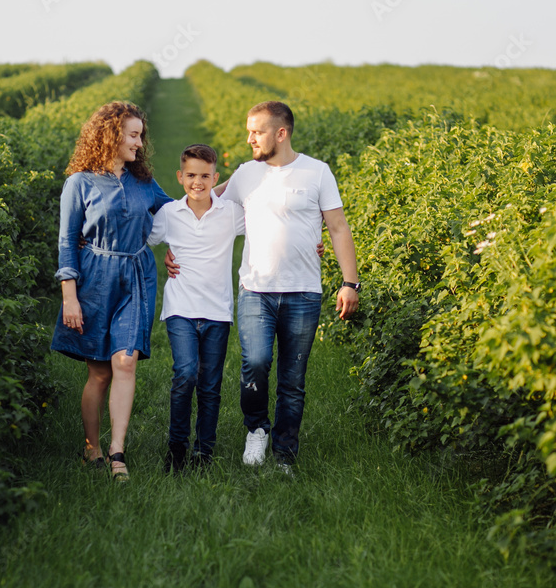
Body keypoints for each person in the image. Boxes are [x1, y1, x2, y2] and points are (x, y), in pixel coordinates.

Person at [167, 101, 360, 471]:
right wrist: (174, 246)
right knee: (254, 363)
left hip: (304, 291)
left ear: (281, 133)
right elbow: (200, 201)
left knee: (293, 377)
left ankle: (285, 452)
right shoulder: (245, 174)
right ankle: (256, 429)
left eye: (257, 131)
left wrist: (350, 282)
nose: (249, 138)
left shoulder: (317, 173)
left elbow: (337, 227)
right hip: (256, 289)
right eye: (249, 131)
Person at [51, 101, 173, 482]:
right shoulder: (80, 183)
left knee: (125, 361)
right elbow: (68, 243)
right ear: (111, 136)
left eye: (140, 136)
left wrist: (230, 189)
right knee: (99, 374)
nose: (139, 144)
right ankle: (93, 449)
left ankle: (118, 452)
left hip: (136, 275)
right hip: (93, 280)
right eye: (133, 135)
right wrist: (69, 297)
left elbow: (181, 211)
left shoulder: (143, 183)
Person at [147, 144, 245, 472]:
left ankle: (204, 453)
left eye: (205, 175)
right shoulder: (169, 214)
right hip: (180, 308)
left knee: (210, 385)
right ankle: (177, 448)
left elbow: (270, 227)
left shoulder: (230, 213)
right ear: (180, 177)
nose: (198, 182)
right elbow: (141, 240)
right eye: (191, 175)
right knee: (186, 373)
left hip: (218, 311)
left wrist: (311, 240)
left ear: (216, 177)